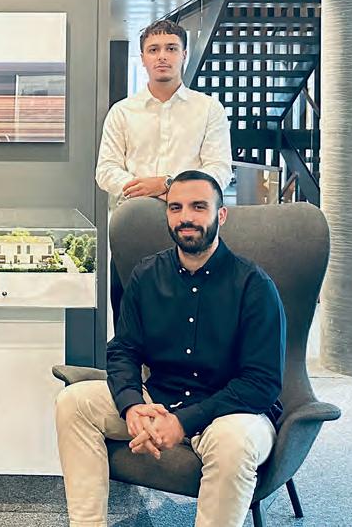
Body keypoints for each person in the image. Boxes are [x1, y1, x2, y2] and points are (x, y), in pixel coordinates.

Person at [55, 170, 286, 527]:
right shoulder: (147, 275)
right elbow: (124, 350)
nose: (186, 217)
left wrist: (183, 422)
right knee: (73, 403)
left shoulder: (254, 286)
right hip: (160, 399)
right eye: (176, 208)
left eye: (198, 207)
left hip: (232, 412)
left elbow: (261, 384)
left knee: (234, 443)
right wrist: (132, 404)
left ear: (221, 215)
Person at [95, 19, 233, 326]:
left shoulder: (209, 109)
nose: (162, 56)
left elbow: (220, 170)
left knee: (192, 320)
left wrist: (169, 186)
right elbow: (106, 170)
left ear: (184, 55)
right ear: (143, 58)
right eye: (153, 49)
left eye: (171, 48)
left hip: (192, 231)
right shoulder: (122, 112)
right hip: (134, 228)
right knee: (130, 319)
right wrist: (143, 189)